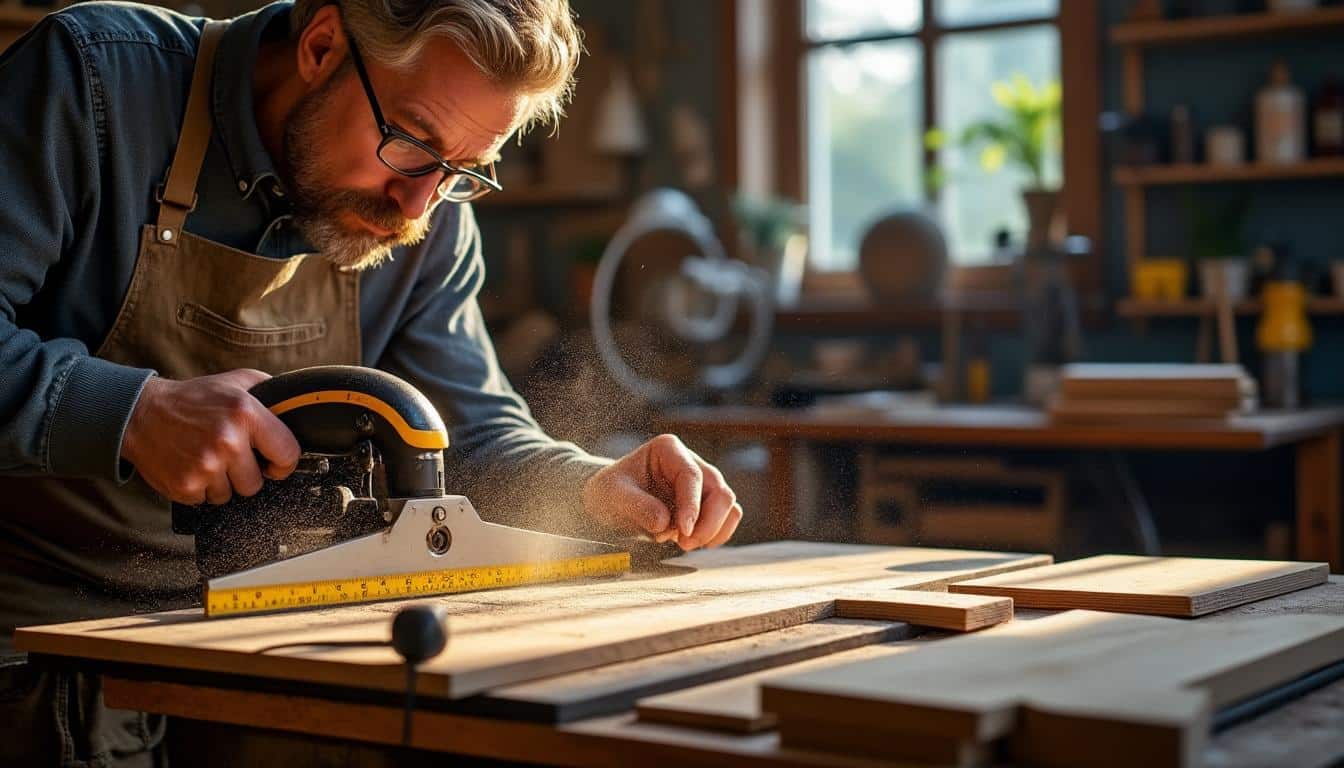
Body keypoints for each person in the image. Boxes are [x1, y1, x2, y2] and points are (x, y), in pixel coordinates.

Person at [0, 1, 742, 764]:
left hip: (271, 636)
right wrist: (132, 413)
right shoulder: (90, 83)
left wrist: (589, 487)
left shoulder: (430, 210)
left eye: (464, 172)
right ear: (322, 46)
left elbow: (468, 438)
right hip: (43, 638)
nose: (418, 206)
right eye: (411, 143)